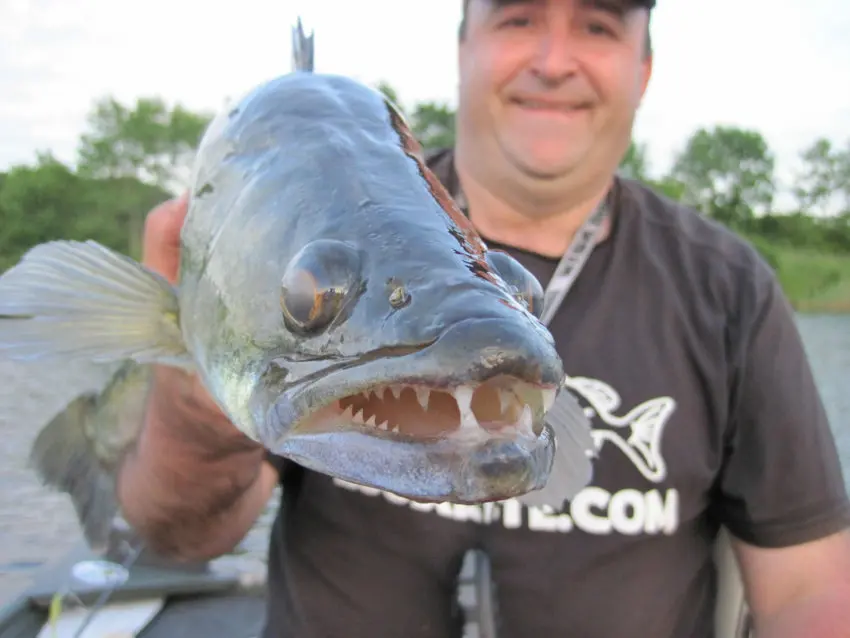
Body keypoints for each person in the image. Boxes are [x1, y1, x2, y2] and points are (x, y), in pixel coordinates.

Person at [117, 0, 850, 636]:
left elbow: (809, 586)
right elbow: (181, 538)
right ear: (463, 49)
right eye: (518, 18)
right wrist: (193, 412)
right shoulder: (282, 248)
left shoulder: (729, 290)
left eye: (597, 26)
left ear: (644, 71)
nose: (553, 59)